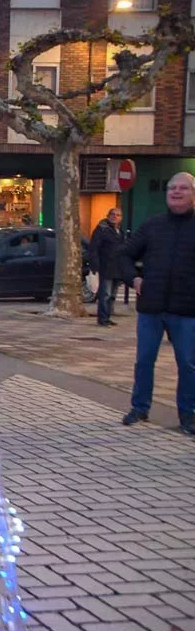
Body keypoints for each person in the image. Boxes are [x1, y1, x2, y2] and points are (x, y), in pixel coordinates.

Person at [118, 172, 195, 435]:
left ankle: (188, 415)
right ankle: (140, 408)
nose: (176, 192)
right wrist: (134, 279)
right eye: (172, 187)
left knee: (187, 364)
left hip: (187, 310)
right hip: (151, 307)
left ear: (193, 193)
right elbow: (124, 255)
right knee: (144, 361)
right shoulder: (153, 226)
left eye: (183, 188)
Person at [88, 207, 126, 327]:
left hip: (117, 267)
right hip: (105, 266)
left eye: (118, 215)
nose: (115, 216)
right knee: (105, 294)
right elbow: (94, 248)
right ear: (108, 215)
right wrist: (95, 265)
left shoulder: (120, 232)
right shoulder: (101, 230)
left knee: (112, 294)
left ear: (121, 218)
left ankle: (108, 316)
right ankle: (102, 318)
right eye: (113, 214)